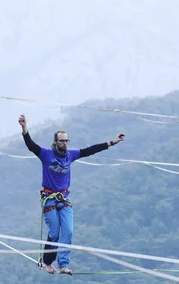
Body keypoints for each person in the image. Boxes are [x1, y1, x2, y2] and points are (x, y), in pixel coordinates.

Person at [18, 114, 125, 275]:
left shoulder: (70, 155)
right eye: (62, 141)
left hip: (64, 199)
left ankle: (63, 265)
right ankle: (47, 262)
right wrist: (25, 129)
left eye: (67, 141)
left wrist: (111, 142)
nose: (65, 143)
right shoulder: (46, 154)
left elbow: (89, 150)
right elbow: (31, 145)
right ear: (56, 142)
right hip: (49, 199)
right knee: (54, 233)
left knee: (67, 231)